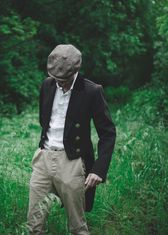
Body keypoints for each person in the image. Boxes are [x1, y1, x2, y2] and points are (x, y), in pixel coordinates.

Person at [27, 44, 117, 234]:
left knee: (77, 226)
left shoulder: (92, 91)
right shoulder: (47, 85)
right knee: (34, 223)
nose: (60, 83)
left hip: (72, 161)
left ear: (76, 70)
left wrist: (98, 170)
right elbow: (45, 121)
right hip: (43, 158)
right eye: (56, 79)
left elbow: (108, 132)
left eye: (64, 80)